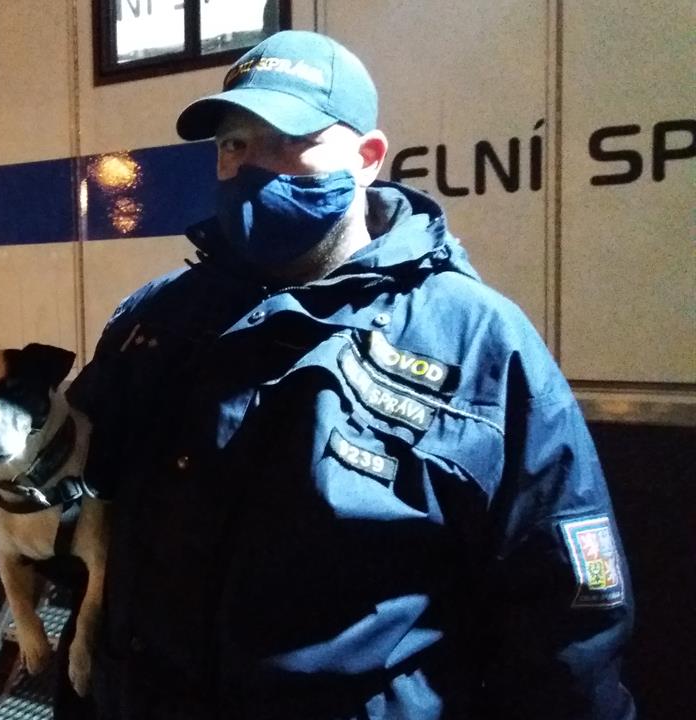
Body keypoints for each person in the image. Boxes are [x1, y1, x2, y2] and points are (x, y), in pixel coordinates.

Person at [67, 30, 635, 720]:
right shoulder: (155, 321)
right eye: (234, 144)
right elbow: (82, 508)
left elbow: (568, 623)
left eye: (288, 142)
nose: (252, 167)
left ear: (368, 159)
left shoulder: (478, 342)